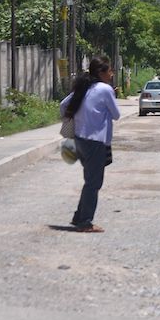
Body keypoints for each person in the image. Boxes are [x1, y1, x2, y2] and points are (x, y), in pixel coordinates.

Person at [59, 56, 120, 232]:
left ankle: (79, 216)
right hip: (96, 141)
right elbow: (116, 115)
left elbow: (64, 106)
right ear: (101, 72)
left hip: (80, 139)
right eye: (109, 71)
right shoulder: (105, 90)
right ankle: (85, 222)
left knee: (90, 180)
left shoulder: (84, 87)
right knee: (94, 183)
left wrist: (78, 119)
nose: (112, 74)